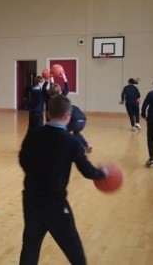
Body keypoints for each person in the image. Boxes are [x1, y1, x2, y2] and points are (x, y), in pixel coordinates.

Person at [19, 95, 107, 265]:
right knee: (73, 246)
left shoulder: (33, 134)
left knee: (30, 245)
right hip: (54, 203)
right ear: (68, 117)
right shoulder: (72, 142)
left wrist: (36, 175)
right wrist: (102, 173)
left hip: (31, 199)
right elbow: (87, 171)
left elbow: (22, 160)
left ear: (48, 113)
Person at [49, 83, 92, 152]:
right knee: (76, 133)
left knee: (63, 133)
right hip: (83, 120)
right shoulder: (65, 102)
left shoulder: (58, 104)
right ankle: (87, 145)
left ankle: (76, 148)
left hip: (74, 121)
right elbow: (66, 89)